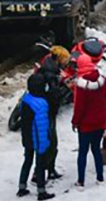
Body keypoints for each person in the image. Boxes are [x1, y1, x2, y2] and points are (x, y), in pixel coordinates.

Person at [32, 44, 71, 180]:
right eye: (65, 60)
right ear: (59, 60)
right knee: (50, 144)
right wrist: (66, 87)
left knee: (47, 143)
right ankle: (40, 173)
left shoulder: (46, 69)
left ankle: (47, 170)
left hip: (43, 113)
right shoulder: (51, 75)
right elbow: (55, 97)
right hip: (47, 114)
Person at [72, 67, 106, 187]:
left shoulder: (82, 86)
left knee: (83, 152)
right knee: (96, 149)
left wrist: (75, 122)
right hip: (100, 122)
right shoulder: (103, 81)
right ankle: (100, 177)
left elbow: (79, 108)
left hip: (85, 126)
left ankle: (81, 181)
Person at [18, 74, 56, 199]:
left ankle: (22, 187)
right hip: (38, 140)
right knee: (40, 166)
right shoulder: (41, 104)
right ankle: (41, 191)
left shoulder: (26, 99)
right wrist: (44, 143)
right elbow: (41, 126)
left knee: (27, 161)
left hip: (27, 138)